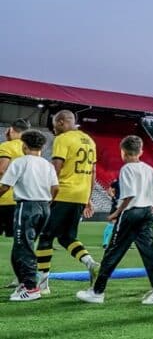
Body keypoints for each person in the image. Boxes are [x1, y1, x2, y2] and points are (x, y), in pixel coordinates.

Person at [76, 136, 153, 305]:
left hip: (130, 213)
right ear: (140, 151)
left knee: (113, 251)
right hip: (146, 213)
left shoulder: (126, 169)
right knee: (149, 252)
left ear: (123, 153)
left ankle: (97, 292)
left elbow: (129, 195)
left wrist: (116, 213)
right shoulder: (148, 169)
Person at [37, 110, 101, 294]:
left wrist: (48, 193)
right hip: (80, 195)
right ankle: (91, 263)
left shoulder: (63, 139)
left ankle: (42, 285)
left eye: (55, 125)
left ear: (62, 122)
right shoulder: (89, 140)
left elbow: (56, 168)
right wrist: (88, 198)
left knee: (46, 236)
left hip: (63, 193)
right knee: (67, 237)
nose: (53, 129)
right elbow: (93, 172)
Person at [0, 130, 57, 301]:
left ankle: (31, 288)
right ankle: (24, 283)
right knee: (21, 246)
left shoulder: (20, 162)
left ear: (24, 145)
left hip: (26, 206)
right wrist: (47, 203)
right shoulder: (47, 164)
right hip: (44, 206)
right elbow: (55, 188)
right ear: (42, 147)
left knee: (24, 247)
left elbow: (5, 186)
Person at [0, 118, 30, 239]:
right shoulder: (30, 149)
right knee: (15, 238)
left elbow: (1, 170)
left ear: (11, 130)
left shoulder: (7, 146)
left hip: (4, 198)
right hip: (22, 199)